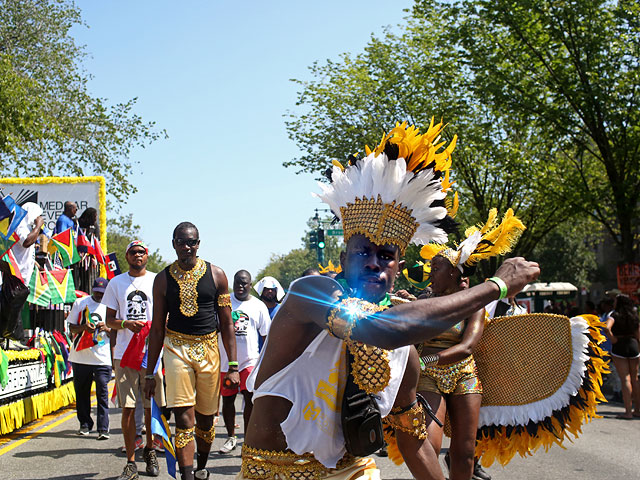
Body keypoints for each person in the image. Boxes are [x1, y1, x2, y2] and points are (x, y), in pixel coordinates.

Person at [240, 121, 540, 480]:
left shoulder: (405, 353)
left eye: (385, 255)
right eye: (362, 251)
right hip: (275, 473)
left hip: (354, 470)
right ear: (343, 254)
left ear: (398, 266)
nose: (373, 262)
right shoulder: (311, 292)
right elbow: (374, 328)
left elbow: (414, 441)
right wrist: (495, 286)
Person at [417, 208, 525, 480]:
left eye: (437, 268)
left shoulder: (473, 305)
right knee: (429, 445)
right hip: (429, 377)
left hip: (464, 374)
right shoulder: (423, 301)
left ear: (455, 272)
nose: (430, 273)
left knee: (464, 454)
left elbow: (467, 347)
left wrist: (424, 360)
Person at [144, 222, 239, 480]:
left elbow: (227, 323)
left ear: (199, 244)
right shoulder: (162, 279)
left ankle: (201, 468)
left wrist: (233, 366)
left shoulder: (217, 275)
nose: (187, 247)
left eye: (192, 242)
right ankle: (187, 476)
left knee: (206, 420)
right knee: (184, 419)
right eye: (181, 242)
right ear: (173, 244)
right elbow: (156, 329)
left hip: (209, 349)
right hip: (175, 349)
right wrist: (150, 373)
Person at [103, 240, 165, 480]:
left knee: (151, 408)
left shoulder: (156, 280)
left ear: (146, 256)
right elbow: (109, 320)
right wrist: (125, 324)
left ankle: (151, 450)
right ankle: (130, 461)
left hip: (151, 354)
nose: (137, 256)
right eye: (133, 252)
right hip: (125, 354)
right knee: (128, 409)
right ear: (127, 257)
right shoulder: (116, 283)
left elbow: (164, 316)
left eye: (141, 252)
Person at [219, 270, 271, 454]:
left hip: (250, 361)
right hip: (226, 362)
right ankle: (231, 436)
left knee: (250, 399)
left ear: (250, 285)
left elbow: (265, 335)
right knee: (228, 400)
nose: (241, 286)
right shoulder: (224, 302)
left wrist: (264, 361)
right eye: (237, 283)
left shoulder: (259, 306)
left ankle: (247, 440)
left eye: (244, 283)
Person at [66, 277, 112, 439]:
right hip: (80, 357)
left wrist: (106, 327)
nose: (99, 296)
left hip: (102, 358)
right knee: (82, 393)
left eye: (102, 293)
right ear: (92, 289)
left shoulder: (111, 305)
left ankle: (103, 428)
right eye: (97, 292)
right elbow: (71, 328)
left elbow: (119, 331)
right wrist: (84, 327)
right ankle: (85, 424)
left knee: (102, 392)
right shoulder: (80, 303)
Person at [604, 294, 640, 419]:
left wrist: (613, 340)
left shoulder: (614, 315)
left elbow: (606, 328)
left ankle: (628, 412)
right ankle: (638, 409)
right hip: (633, 345)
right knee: (635, 378)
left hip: (620, 346)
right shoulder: (633, 315)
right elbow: (638, 333)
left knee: (625, 379)